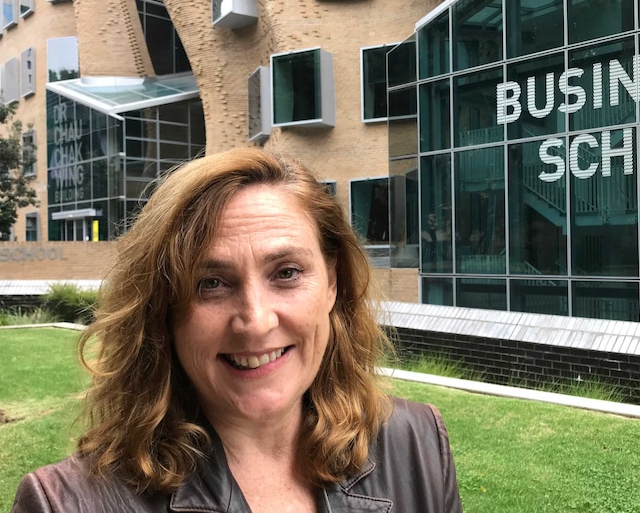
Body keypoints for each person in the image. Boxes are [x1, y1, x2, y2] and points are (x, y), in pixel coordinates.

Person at [12, 148, 462, 512]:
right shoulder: (65, 503)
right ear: (162, 309)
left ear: (332, 285)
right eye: (211, 284)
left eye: (286, 273)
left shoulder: (416, 443)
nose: (256, 320)